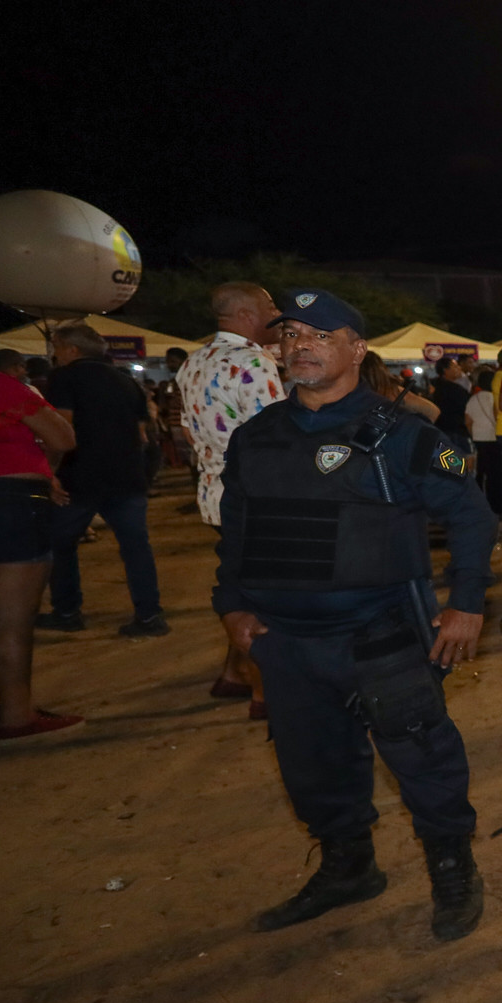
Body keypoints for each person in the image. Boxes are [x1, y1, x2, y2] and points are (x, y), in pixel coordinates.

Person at [214, 289, 496, 942]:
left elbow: (471, 512)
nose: (302, 344)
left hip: (382, 634)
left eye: (321, 333)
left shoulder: (405, 433)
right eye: (291, 334)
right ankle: (348, 867)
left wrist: (467, 603)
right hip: (287, 640)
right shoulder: (256, 438)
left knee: (424, 762)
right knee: (313, 768)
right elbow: (236, 530)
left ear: (356, 348)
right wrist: (230, 606)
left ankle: (452, 868)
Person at [0, 303, 80, 740]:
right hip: (6, 502)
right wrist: (43, 462)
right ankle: (17, 715)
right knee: (12, 617)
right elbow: (63, 436)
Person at [177, 281, 286, 715]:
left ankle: (233, 674)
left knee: (240, 582)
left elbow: (187, 429)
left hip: (214, 493)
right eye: (270, 305)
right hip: (256, 496)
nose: (278, 312)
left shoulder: (193, 360)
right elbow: (276, 436)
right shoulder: (252, 361)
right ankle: (264, 695)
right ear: (246, 316)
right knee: (263, 596)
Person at [36, 323, 166, 638]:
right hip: (127, 477)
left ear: (71, 350)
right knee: (136, 548)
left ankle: (67, 611)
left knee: (59, 544)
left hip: (80, 478)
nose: (55, 354)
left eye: (57, 348)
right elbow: (142, 434)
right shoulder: (127, 381)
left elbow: (61, 431)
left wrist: (48, 471)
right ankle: (149, 616)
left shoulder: (64, 379)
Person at [464, 366, 502, 512]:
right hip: (495, 439)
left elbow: (468, 421)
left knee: (481, 472)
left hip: (479, 440)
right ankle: (497, 506)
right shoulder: (495, 397)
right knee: (496, 474)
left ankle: (479, 503)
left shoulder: (473, 399)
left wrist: (473, 434)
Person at [430, 355, 473, 450]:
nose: (459, 369)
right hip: (456, 432)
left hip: (441, 430)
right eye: (455, 366)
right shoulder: (454, 389)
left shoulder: (435, 386)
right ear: (445, 370)